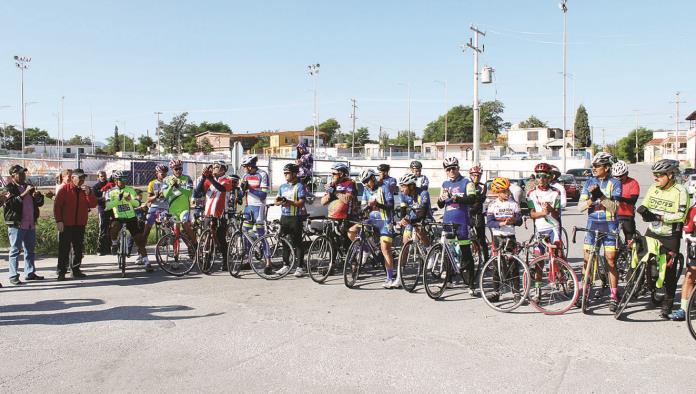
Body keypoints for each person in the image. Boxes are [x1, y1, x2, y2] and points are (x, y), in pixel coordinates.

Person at [635, 159, 689, 319]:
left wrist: (660, 216)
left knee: (669, 271)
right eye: (654, 175)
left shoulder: (680, 191)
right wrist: (644, 213)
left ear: (670, 175)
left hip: (670, 235)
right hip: (653, 231)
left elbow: (681, 215)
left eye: (659, 175)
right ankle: (648, 284)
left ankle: (668, 302)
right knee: (642, 257)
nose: (655, 178)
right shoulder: (653, 188)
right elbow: (645, 205)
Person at [578, 152, 622, 312]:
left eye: (597, 166)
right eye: (593, 166)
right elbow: (580, 207)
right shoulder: (589, 182)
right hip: (592, 225)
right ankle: (584, 291)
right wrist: (592, 198)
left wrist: (600, 196)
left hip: (609, 225)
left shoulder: (615, 183)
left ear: (606, 167)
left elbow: (615, 208)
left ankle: (613, 295)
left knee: (610, 260)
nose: (594, 168)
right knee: (586, 260)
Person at [349, 169, 396, 288]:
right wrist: (363, 210)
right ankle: (366, 249)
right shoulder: (366, 190)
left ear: (372, 178)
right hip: (371, 220)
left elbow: (391, 206)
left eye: (366, 181)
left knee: (385, 249)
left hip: (385, 221)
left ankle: (390, 278)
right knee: (351, 231)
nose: (364, 184)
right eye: (363, 182)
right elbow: (364, 206)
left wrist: (377, 205)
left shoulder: (384, 187)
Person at [437, 157, 478, 295]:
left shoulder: (467, 182)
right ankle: (448, 279)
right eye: (448, 169)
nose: (451, 171)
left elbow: (472, 199)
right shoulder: (444, 184)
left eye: (454, 168)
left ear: (458, 168)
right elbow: (440, 204)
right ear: (445, 171)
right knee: (448, 252)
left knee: (466, 252)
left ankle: (471, 285)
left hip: (462, 222)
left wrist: (456, 198)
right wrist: (440, 199)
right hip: (448, 221)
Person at [2, 165, 44, 285]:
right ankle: (13, 275)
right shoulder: (9, 188)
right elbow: (12, 204)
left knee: (30, 250)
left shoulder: (28, 186)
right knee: (15, 250)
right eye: (20, 174)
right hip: (16, 224)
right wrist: (25, 192)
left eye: (23, 173)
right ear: (13, 176)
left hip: (30, 223)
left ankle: (30, 273)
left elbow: (39, 204)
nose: (23, 175)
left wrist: (38, 197)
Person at [527, 162, 562, 302]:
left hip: (553, 228)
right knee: (538, 261)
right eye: (538, 176)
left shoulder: (556, 192)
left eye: (544, 176)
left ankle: (562, 275)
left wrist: (551, 210)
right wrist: (543, 212)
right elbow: (532, 214)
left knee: (557, 254)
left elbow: (557, 215)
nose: (541, 179)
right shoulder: (531, 193)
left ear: (549, 177)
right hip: (540, 229)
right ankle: (538, 288)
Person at [54, 169, 97, 280]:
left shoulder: (85, 190)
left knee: (78, 249)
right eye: (80, 178)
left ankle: (76, 270)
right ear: (73, 178)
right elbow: (57, 206)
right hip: (67, 224)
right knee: (64, 248)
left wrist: (89, 194)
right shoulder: (65, 189)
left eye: (83, 178)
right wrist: (59, 221)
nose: (82, 180)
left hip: (80, 223)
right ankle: (61, 272)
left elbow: (92, 204)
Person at [485, 177, 523, 302]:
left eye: (508, 190)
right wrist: (501, 224)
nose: (508, 193)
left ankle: (516, 292)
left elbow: (519, 221)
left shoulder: (514, 204)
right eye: (504, 191)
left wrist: (514, 221)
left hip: (510, 237)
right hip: (497, 237)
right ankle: (496, 292)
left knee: (513, 264)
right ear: (498, 192)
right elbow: (489, 222)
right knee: (497, 265)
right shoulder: (492, 205)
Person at [106, 171, 150, 271]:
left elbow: (136, 204)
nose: (123, 181)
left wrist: (130, 199)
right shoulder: (110, 191)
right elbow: (108, 206)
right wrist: (118, 199)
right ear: (116, 180)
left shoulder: (130, 190)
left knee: (140, 240)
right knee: (114, 227)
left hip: (131, 217)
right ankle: (114, 243)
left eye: (125, 179)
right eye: (121, 179)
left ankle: (147, 262)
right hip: (118, 217)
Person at [194, 161, 234, 270]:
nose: (214, 168)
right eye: (213, 167)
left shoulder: (227, 180)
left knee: (221, 238)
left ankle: (225, 262)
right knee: (207, 238)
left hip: (221, 214)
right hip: (208, 213)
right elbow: (196, 194)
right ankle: (206, 261)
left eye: (216, 167)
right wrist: (203, 178)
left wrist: (210, 178)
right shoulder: (208, 181)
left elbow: (221, 188)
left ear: (223, 170)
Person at [274, 163, 308, 277]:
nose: (286, 175)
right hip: (284, 217)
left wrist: (288, 202)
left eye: (288, 173)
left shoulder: (300, 186)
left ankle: (300, 267)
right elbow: (276, 201)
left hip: (295, 218)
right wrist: (281, 201)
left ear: (294, 174)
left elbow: (301, 203)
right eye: (285, 173)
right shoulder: (282, 186)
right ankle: (285, 265)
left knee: (297, 243)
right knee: (284, 242)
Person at [240, 155, 271, 273]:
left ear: (250, 166)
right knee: (245, 234)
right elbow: (243, 192)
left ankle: (268, 262)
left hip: (259, 207)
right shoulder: (245, 176)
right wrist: (239, 195)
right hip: (248, 207)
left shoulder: (262, 174)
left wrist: (250, 188)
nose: (244, 168)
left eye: (245, 166)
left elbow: (263, 195)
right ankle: (249, 260)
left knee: (261, 234)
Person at [675, 192, 696, 321]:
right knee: (689, 275)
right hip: (694, 244)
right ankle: (683, 308)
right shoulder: (693, 209)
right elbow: (686, 231)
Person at [163, 159, 196, 245]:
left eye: (180, 168)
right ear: (172, 169)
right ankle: (178, 248)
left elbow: (189, 193)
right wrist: (171, 186)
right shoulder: (167, 179)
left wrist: (178, 187)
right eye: (176, 169)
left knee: (185, 224)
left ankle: (195, 243)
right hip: (172, 210)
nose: (178, 171)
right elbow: (166, 195)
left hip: (184, 209)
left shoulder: (187, 178)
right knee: (175, 227)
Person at [397, 173, 433, 248]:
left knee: (419, 231)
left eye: (403, 186)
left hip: (425, 217)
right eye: (401, 186)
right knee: (405, 243)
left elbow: (423, 213)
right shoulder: (402, 195)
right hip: (412, 219)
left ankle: (429, 252)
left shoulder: (423, 193)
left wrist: (412, 222)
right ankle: (403, 259)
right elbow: (403, 209)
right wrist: (402, 219)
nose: (401, 189)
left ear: (411, 186)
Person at [322, 162, 358, 232]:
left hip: (346, 218)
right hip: (332, 217)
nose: (332, 176)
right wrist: (329, 194)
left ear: (341, 174)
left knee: (344, 241)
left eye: (334, 174)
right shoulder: (332, 184)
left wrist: (334, 192)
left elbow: (347, 199)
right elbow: (322, 202)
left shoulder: (350, 183)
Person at [612, 160, 640, 246]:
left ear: (626, 173)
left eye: (621, 176)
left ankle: (630, 253)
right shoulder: (611, 183)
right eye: (616, 176)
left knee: (629, 238)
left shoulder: (633, 183)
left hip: (626, 214)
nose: (618, 178)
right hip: (613, 213)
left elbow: (633, 200)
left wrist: (620, 198)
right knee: (611, 238)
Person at [468, 165, 489, 264]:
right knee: (466, 237)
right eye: (474, 175)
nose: (476, 177)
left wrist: (473, 199)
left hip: (478, 214)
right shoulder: (466, 185)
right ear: (470, 175)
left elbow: (480, 200)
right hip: (467, 214)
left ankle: (486, 260)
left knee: (481, 239)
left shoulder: (482, 186)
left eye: (478, 175)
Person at [94, 170, 111, 255]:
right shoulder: (96, 187)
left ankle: (109, 248)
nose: (103, 177)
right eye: (101, 176)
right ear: (98, 177)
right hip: (102, 210)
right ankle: (100, 249)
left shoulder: (110, 184)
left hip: (112, 208)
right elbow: (94, 199)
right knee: (102, 229)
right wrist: (102, 199)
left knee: (112, 228)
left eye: (104, 175)